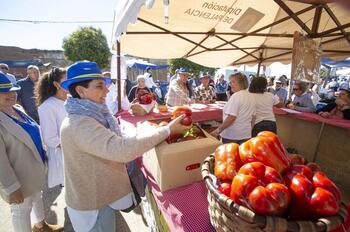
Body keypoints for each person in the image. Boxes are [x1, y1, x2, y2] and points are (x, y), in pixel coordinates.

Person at [59, 61, 189, 232]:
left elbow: (118, 139)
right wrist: (167, 130)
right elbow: (121, 150)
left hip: (102, 198)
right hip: (93, 205)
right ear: (80, 91)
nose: (106, 90)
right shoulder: (80, 124)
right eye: (100, 86)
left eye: (105, 85)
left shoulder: (94, 114)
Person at [0, 72, 63, 232]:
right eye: (4, 92)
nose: (11, 95)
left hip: (33, 170)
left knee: (37, 198)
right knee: (21, 210)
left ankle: (41, 225)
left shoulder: (17, 108)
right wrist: (11, 188)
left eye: (13, 90)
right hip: (19, 177)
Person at [35, 67, 67, 188]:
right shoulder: (47, 106)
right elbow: (50, 139)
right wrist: (75, 145)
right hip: (63, 155)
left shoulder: (70, 100)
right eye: (67, 80)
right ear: (56, 84)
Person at [211, 72, 256, 144]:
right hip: (245, 134)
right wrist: (248, 131)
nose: (230, 84)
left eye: (233, 82)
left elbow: (231, 117)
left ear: (241, 83)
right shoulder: (251, 96)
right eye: (230, 82)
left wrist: (217, 131)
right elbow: (253, 117)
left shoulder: (236, 96)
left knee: (229, 155)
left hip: (232, 135)